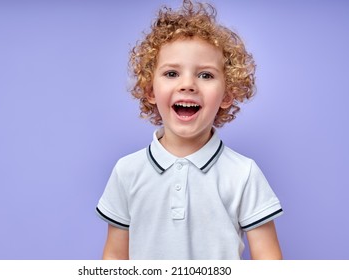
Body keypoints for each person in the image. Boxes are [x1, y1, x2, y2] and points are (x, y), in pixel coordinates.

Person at [96, 0, 283, 260]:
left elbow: (270, 263)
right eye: (172, 73)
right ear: (150, 90)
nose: (188, 84)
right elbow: (114, 259)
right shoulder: (127, 171)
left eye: (205, 75)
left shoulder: (244, 173)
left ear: (227, 94)